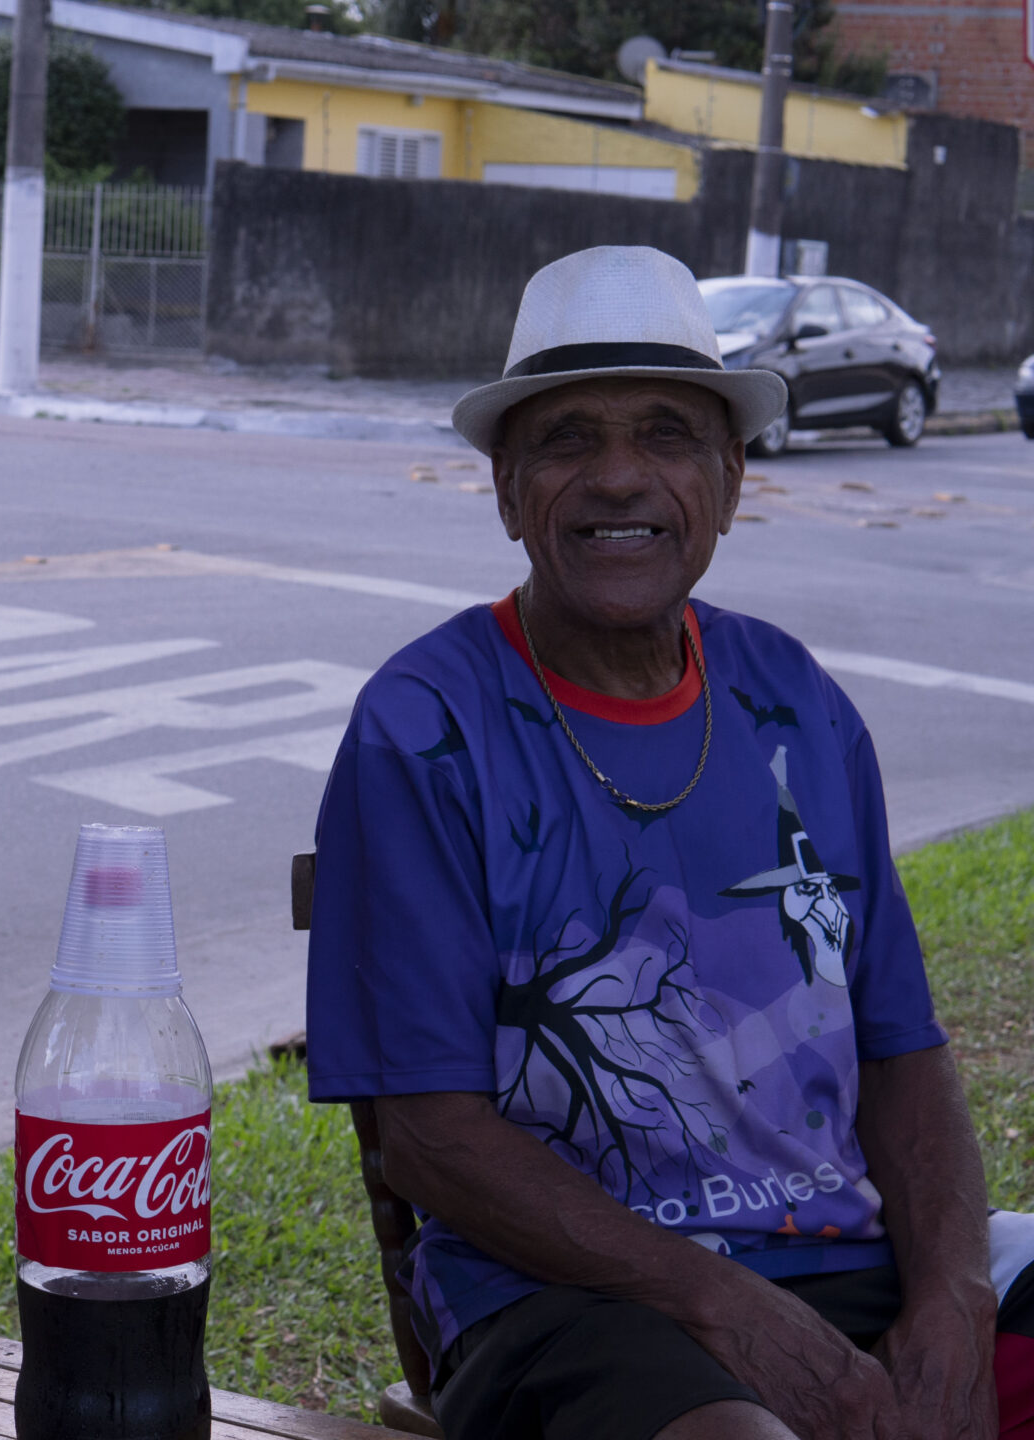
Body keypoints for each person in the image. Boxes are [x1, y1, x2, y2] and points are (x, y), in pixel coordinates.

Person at [304, 246, 1034, 1440]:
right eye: (566, 439)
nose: (617, 476)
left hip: (847, 1259)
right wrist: (731, 1311)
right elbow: (431, 1141)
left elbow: (900, 1050)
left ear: (731, 479)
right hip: (570, 1299)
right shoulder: (424, 727)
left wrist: (951, 1302)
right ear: (505, 489)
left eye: (666, 434)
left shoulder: (794, 700)